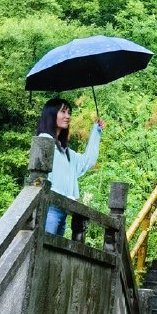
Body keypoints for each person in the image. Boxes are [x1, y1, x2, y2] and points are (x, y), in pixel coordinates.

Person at [35, 98, 104, 236]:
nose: (68, 116)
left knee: (54, 253)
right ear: (51, 114)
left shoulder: (66, 152)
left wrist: (96, 132)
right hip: (50, 209)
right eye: (63, 112)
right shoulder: (44, 141)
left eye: (69, 112)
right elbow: (39, 179)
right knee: (44, 249)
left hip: (63, 209)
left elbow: (87, 162)